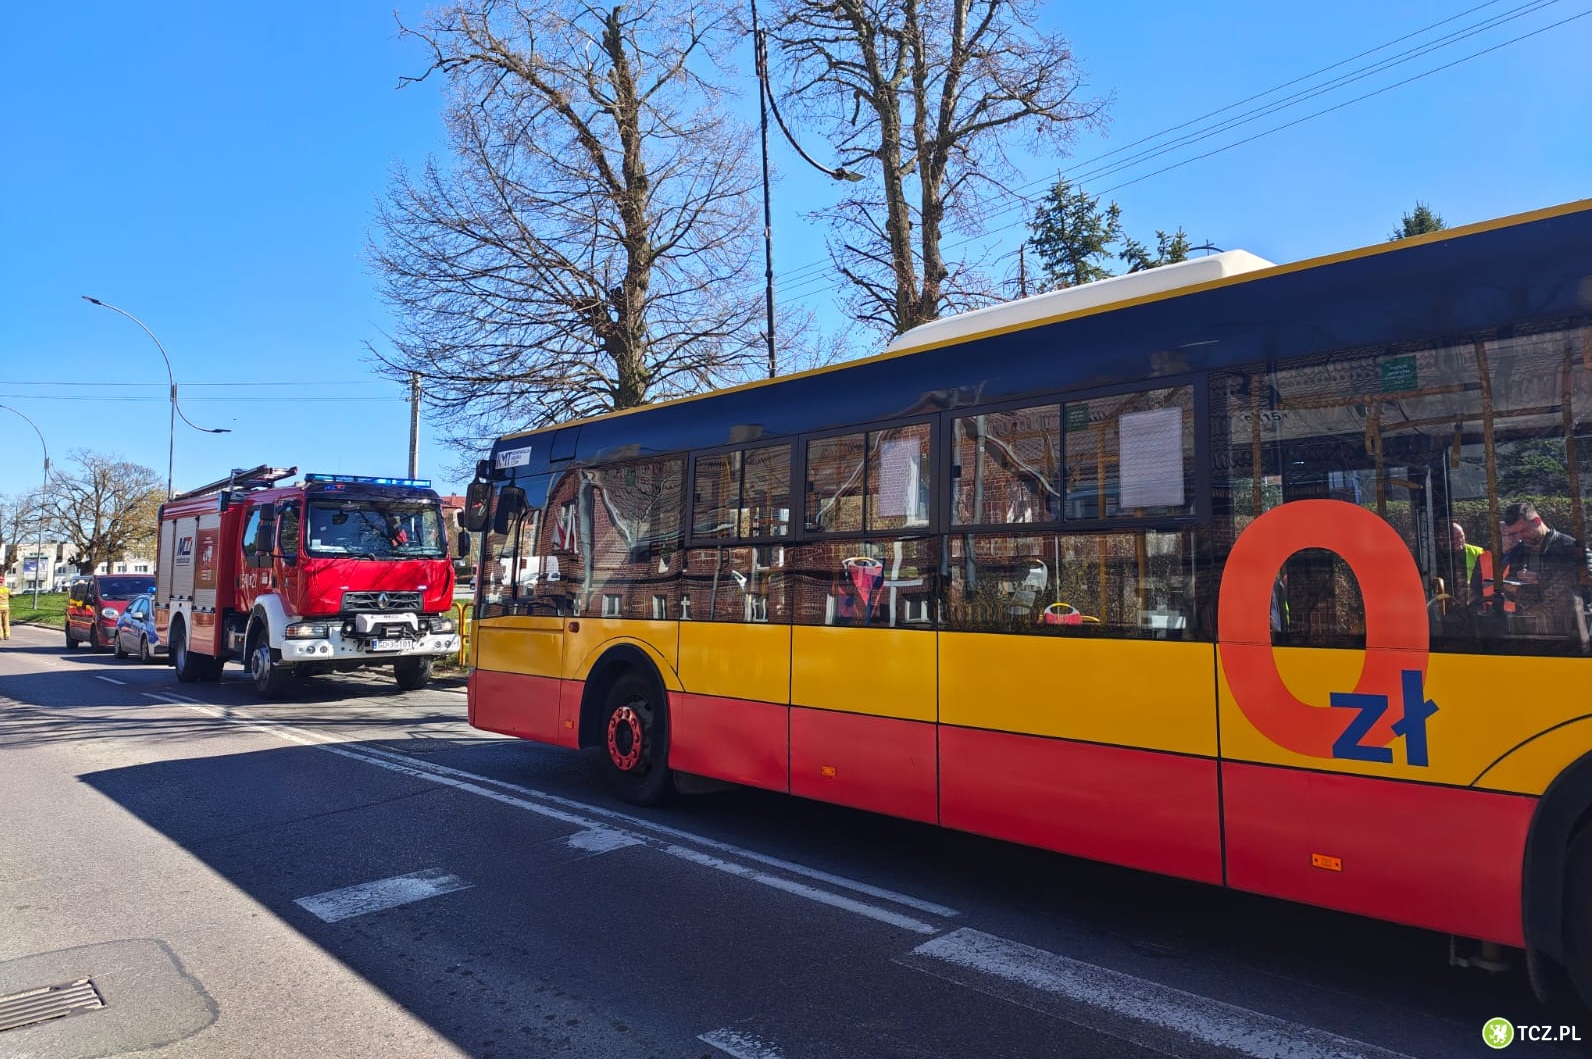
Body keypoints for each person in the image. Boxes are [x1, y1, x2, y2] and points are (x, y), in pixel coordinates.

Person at [1498, 501, 1592, 637]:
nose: (1520, 537)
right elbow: (1513, 589)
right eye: (1515, 533)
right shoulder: (1519, 551)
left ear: (1537, 521)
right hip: (1532, 630)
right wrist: (1510, 588)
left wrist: (1541, 579)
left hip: (1572, 632)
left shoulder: (1572, 547)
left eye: (1524, 530)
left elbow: (1588, 579)